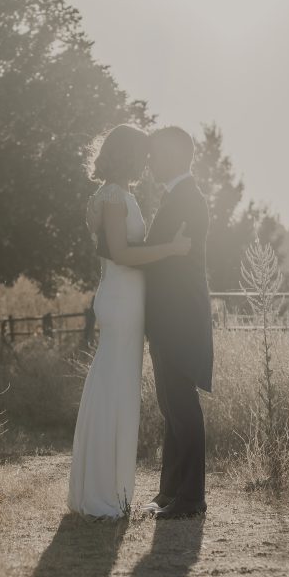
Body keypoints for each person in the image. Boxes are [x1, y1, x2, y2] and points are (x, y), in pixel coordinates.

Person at [67, 124, 191, 518]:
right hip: (121, 301)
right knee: (115, 392)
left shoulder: (109, 195)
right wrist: (170, 249)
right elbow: (121, 252)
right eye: (142, 153)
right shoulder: (115, 196)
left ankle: (106, 488)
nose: (147, 161)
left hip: (120, 300)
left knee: (113, 388)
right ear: (127, 154)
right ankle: (104, 493)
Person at [141, 126, 213, 520]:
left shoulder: (188, 199)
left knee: (183, 406)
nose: (150, 161)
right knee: (171, 406)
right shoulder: (177, 196)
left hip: (180, 317)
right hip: (168, 318)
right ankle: (169, 492)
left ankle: (191, 499)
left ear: (174, 156)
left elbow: (166, 261)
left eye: (155, 154)